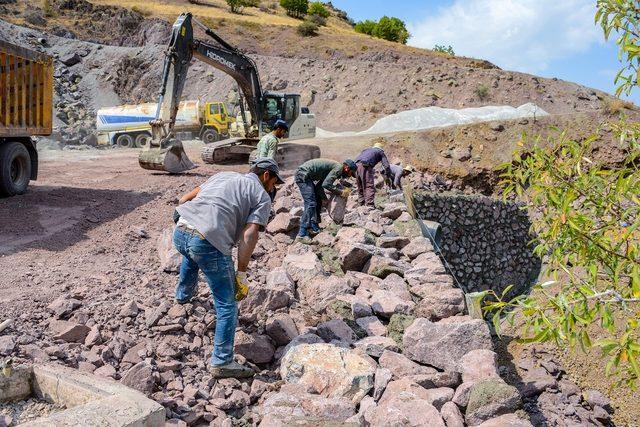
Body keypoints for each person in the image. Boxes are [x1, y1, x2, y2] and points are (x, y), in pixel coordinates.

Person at [172, 158, 283, 379]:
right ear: (266, 175)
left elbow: (186, 198)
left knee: (192, 255)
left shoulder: (224, 175)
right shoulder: (261, 196)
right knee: (227, 304)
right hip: (206, 241)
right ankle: (222, 361)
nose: (274, 188)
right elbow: (249, 235)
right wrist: (241, 273)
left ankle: (182, 297)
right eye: (274, 183)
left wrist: (183, 219)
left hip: (181, 231)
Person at [295, 158, 357, 240]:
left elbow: (320, 186)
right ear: (347, 168)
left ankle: (314, 227)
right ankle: (302, 234)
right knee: (310, 203)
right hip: (303, 175)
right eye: (350, 173)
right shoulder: (338, 168)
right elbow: (326, 184)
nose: (349, 176)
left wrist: (324, 199)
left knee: (317, 200)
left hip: (306, 175)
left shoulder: (334, 168)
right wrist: (341, 192)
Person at [355, 142, 392, 207]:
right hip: (365, 166)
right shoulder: (380, 152)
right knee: (369, 185)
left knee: (360, 186)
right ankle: (370, 205)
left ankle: (361, 204)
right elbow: (386, 165)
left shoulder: (366, 150)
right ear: (381, 148)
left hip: (355, 166)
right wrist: (388, 175)